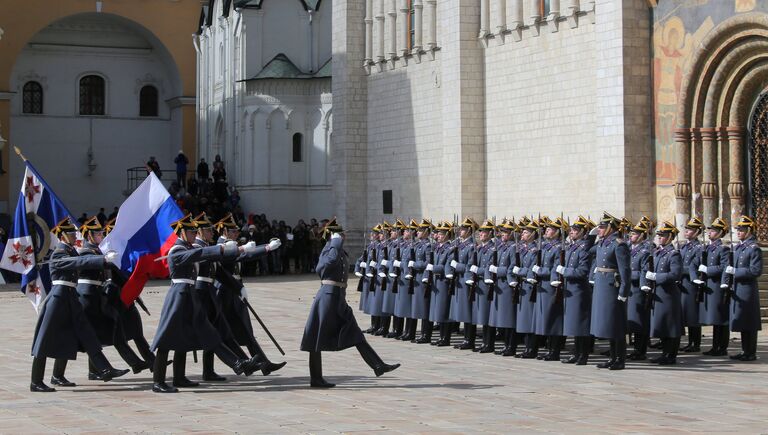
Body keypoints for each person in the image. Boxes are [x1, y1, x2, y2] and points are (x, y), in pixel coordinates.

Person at [151, 214, 264, 393]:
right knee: (167, 340)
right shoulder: (177, 251)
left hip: (190, 296)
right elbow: (200, 253)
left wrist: (239, 250)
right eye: (191, 232)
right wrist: (221, 248)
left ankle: (237, 364)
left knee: (206, 333)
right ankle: (158, 381)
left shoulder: (188, 248)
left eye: (195, 231)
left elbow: (204, 255)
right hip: (178, 297)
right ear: (182, 232)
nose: (193, 234)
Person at [30, 217, 130, 392]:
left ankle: (101, 369)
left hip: (71, 298)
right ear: (62, 236)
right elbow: (78, 262)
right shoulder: (59, 253)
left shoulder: (70, 251)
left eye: (73, 233)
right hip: (58, 299)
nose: (73, 236)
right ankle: (36, 381)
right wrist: (102, 260)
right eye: (69, 234)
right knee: (45, 341)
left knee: (84, 334)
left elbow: (78, 260)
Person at [300, 218, 400, 388]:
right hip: (328, 297)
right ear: (332, 236)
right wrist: (334, 244)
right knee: (316, 338)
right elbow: (324, 267)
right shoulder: (329, 250)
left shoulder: (337, 251)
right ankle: (315, 377)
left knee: (354, 331)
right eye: (339, 234)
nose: (343, 237)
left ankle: (377, 365)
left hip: (338, 297)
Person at [75, 217, 150, 378]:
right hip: (87, 297)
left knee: (104, 332)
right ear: (89, 236)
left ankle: (98, 370)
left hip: (98, 297)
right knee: (86, 337)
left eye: (102, 233)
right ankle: (61, 374)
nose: (101, 236)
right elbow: (84, 261)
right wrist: (104, 260)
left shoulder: (97, 251)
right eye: (98, 234)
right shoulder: (86, 251)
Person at [214, 213, 286, 375]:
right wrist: (266, 248)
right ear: (224, 231)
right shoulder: (221, 246)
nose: (236, 234)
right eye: (233, 232)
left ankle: (263, 364)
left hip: (235, 292)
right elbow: (243, 255)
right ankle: (210, 369)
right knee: (218, 332)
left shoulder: (231, 245)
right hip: (224, 293)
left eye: (237, 232)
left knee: (245, 330)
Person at [590, 212, 631, 370]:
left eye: (601, 227)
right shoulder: (602, 243)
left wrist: (623, 292)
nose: (599, 230)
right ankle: (612, 357)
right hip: (602, 287)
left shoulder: (618, 244)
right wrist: (590, 234)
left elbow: (625, 271)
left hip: (612, 288)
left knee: (617, 325)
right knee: (609, 325)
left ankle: (620, 359)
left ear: (610, 228)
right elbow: (587, 249)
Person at [641, 220, 683, 365]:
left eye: (663, 235)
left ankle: (671, 355)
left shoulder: (674, 254)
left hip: (669, 294)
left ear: (671, 237)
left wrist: (656, 277)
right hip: (658, 293)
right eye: (659, 235)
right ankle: (664, 353)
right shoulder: (658, 253)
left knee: (670, 326)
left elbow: (675, 275)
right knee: (662, 325)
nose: (660, 237)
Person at [556, 216, 595, 365]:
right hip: (569, 290)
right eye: (571, 230)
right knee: (574, 324)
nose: (572, 232)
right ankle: (576, 353)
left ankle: (583, 355)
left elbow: (582, 271)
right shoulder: (573, 247)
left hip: (579, 291)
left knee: (581, 325)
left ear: (583, 232)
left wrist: (565, 271)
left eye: (575, 230)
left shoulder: (583, 249)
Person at [723, 215, 763, 361]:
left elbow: (755, 271)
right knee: (742, 321)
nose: (739, 232)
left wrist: (736, 272)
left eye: (742, 229)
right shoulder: (739, 247)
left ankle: (750, 352)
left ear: (749, 231)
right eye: (738, 229)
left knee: (749, 322)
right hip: (738, 288)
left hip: (747, 290)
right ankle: (745, 350)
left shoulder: (754, 249)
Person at [530, 217, 566, 361]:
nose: (546, 231)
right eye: (547, 229)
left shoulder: (558, 248)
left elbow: (555, 269)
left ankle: (554, 351)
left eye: (550, 229)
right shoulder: (545, 246)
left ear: (557, 232)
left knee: (553, 319)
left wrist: (540, 271)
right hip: (542, 286)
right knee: (545, 319)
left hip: (552, 286)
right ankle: (549, 349)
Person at [698, 217, 731, 356]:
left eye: (713, 230)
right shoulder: (707, 248)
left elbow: (724, 267)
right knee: (715, 319)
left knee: (721, 319)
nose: (710, 232)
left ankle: (722, 347)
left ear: (720, 233)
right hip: (709, 286)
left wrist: (708, 270)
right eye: (710, 230)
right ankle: (715, 346)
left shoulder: (723, 249)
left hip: (717, 286)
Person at [487, 219, 518, 356]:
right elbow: (490, 263)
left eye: (506, 232)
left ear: (512, 234)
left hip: (507, 285)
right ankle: (506, 345)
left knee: (508, 317)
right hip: (498, 284)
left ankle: (511, 346)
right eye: (502, 232)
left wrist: (497, 270)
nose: (502, 235)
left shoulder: (513, 247)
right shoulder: (500, 247)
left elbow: (512, 267)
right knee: (501, 317)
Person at [468, 219, 498, 353]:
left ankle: (489, 343)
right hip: (479, 284)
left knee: (487, 315)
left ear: (490, 233)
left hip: (487, 284)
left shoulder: (492, 248)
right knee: (481, 315)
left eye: (484, 232)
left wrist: (477, 270)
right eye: (480, 232)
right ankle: (484, 343)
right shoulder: (480, 248)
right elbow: (472, 264)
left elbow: (489, 267)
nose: (481, 234)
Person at [626, 218, 653, 361]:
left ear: (642, 235)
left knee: (640, 322)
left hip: (638, 289)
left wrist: (627, 274)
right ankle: (635, 349)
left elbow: (644, 271)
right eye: (631, 233)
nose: (631, 236)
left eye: (635, 234)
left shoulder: (644, 251)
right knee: (632, 321)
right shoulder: (630, 249)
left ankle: (641, 350)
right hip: (629, 289)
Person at [450, 218, 478, 350]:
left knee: (468, 311)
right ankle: (465, 339)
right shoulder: (460, 245)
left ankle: (469, 339)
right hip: (459, 280)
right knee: (462, 311)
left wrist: (458, 266)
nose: (460, 231)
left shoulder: (471, 246)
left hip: (466, 280)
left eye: (463, 229)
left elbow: (470, 266)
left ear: (469, 231)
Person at [428, 221, 456, 346]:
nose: (438, 235)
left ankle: (446, 338)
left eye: (441, 234)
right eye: (438, 233)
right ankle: (441, 336)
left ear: (446, 235)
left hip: (444, 282)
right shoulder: (439, 248)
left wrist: (433, 268)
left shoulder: (449, 249)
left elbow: (447, 266)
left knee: (444, 310)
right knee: (438, 310)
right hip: (437, 281)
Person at [679, 217, 705, 352]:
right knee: (685, 314)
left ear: (696, 232)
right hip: (682, 283)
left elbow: (693, 267)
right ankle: (690, 342)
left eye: (690, 230)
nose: (687, 231)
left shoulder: (698, 248)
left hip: (691, 283)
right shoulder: (683, 246)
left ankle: (695, 343)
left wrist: (678, 270)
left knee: (692, 315)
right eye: (687, 229)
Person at [410, 219, 435, 343]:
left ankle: (426, 335)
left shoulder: (428, 246)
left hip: (423, 279)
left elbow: (428, 263)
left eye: (420, 230)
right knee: (419, 306)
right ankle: (421, 334)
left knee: (425, 307)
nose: (417, 232)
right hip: (416, 279)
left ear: (426, 232)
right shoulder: (418, 245)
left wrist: (416, 264)